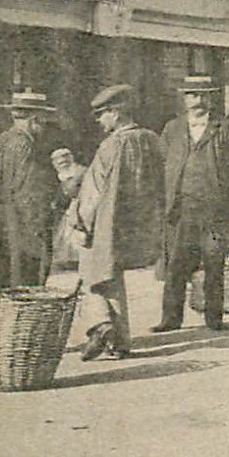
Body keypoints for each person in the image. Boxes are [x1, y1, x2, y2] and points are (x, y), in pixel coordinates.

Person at [73, 84, 162, 360]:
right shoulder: (150, 139)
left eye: (102, 115)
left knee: (92, 271)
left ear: (115, 112)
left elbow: (93, 192)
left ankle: (102, 324)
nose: (100, 121)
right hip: (136, 223)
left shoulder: (111, 145)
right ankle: (120, 341)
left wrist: (80, 223)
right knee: (111, 276)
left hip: (107, 221)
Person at [155, 75, 229, 333]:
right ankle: (170, 319)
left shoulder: (225, 128)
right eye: (192, 95)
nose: (198, 100)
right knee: (175, 266)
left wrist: (226, 189)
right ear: (184, 99)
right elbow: (161, 162)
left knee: (214, 264)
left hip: (213, 209)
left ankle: (214, 318)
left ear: (211, 98)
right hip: (181, 209)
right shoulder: (172, 129)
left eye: (204, 95)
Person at [0, 89, 63, 290]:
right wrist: (42, 225)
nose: (45, 126)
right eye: (44, 120)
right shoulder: (24, 145)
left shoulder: (0, 141)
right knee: (20, 285)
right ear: (35, 119)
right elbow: (28, 195)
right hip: (16, 231)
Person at [50, 147, 86, 269]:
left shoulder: (80, 172)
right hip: (65, 209)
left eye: (65, 161)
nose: (63, 164)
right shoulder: (59, 176)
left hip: (79, 206)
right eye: (59, 163)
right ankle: (68, 260)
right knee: (64, 235)